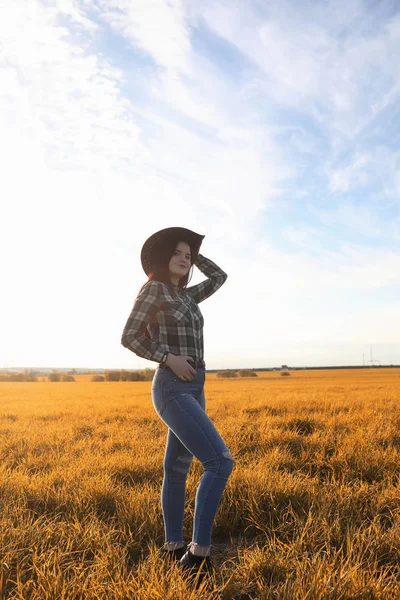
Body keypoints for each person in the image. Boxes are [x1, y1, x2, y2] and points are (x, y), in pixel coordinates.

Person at [121, 227, 235, 588]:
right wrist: (168, 358)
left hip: (196, 386)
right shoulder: (154, 289)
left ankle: (173, 548)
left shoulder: (186, 296)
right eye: (178, 253)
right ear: (161, 257)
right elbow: (130, 336)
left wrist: (196, 253)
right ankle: (198, 555)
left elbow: (219, 277)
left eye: (188, 255)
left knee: (176, 469)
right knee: (220, 461)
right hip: (172, 388)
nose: (184, 259)